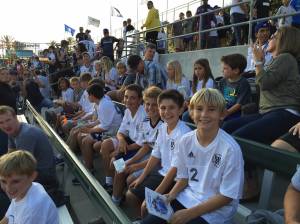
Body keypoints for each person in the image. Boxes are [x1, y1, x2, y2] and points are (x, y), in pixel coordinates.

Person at [141, 88, 244, 224]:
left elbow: (227, 196)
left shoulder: (230, 149)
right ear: (191, 112)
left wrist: (189, 214)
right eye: (199, 109)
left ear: (222, 114)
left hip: (216, 212)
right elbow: (183, 178)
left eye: (211, 109)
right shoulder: (186, 140)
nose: (204, 114)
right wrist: (170, 196)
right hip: (186, 198)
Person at [222, 26, 300, 145]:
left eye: (273, 36)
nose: (269, 38)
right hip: (269, 112)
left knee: (239, 137)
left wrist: (258, 62)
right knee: (228, 126)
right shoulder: (277, 60)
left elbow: (263, 83)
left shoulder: (286, 58)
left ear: (283, 40)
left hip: (284, 113)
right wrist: (261, 62)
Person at [126, 89, 191, 217]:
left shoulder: (184, 134)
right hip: (162, 173)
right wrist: (142, 176)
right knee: (131, 191)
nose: (166, 112)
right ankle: (141, 217)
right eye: (163, 108)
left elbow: (175, 169)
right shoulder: (162, 127)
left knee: (139, 200)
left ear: (180, 109)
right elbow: (155, 155)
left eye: (172, 108)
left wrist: (156, 193)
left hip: (176, 179)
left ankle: (146, 217)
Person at [111, 86, 163, 205]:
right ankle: (115, 199)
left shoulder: (163, 126)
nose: (150, 108)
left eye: (154, 105)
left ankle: (131, 204)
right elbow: (145, 147)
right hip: (147, 154)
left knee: (129, 178)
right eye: (147, 104)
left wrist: (136, 165)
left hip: (157, 161)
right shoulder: (146, 121)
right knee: (119, 167)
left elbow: (156, 156)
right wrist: (129, 162)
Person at [100, 84, 147, 193]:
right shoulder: (127, 111)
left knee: (117, 165)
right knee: (106, 146)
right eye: (126, 97)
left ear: (140, 100)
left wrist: (119, 150)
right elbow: (120, 132)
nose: (128, 100)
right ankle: (110, 182)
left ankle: (116, 196)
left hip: (138, 148)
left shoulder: (144, 115)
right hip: (129, 143)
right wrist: (121, 140)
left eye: (132, 98)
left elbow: (141, 144)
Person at [0, 105, 58, 191]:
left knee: (5, 183)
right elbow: (10, 154)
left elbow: (20, 166)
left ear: (15, 118)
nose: (5, 125)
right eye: (1, 122)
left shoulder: (26, 135)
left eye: (8, 120)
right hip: (33, 169)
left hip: (45, 176)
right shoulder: (12, 131)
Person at [0, 150, 58, 224]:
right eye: (3, 181)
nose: (8, 188)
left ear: (32, 176)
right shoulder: (26, 189)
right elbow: (7, 218)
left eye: (15, 181)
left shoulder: (33, 209)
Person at [79, 84, 123, 172]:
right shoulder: (100, 103)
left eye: (88, 95)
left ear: (92, 95)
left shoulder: (104, 105)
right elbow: (100, 120)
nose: (87, 97)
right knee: (83, 137)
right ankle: (88, 165)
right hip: (111, 130)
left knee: (87, 140)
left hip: (114, 132)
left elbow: (104, 127)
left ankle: (89, 169)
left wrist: (89, 130)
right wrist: (89, 125)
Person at [219, 54, 251, 120]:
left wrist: (226, 113)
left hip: (236, 113)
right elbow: (219, 98)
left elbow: (239, 104)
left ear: (236, 70)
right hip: (223, 109)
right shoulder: (222, 81)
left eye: (225, 68)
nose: (222, 71)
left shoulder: (243, 83)